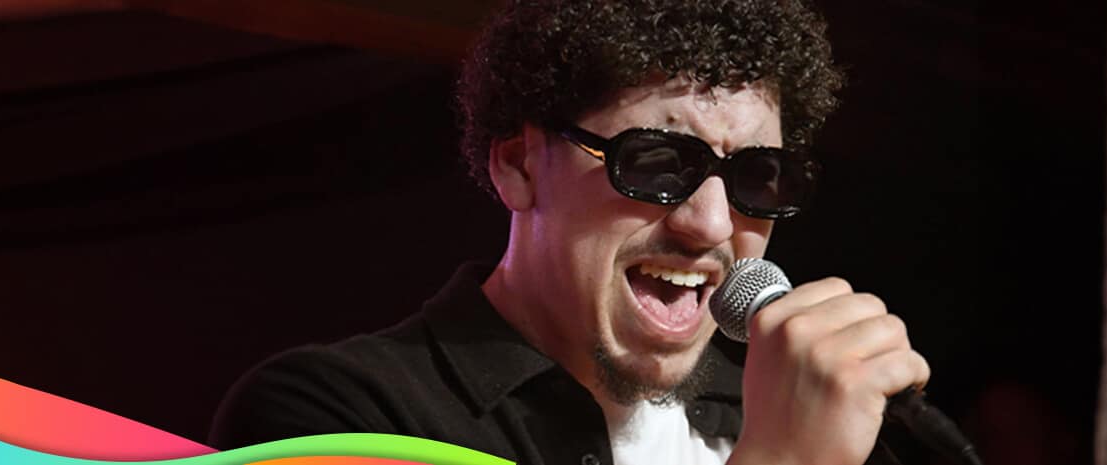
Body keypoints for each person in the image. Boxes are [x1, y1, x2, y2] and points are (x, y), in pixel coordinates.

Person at [209, 1, 931, 464]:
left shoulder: (797, 412)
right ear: (520, 165)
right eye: (655, 162)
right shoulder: (338, 414)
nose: (712, 223)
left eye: (757, 177)